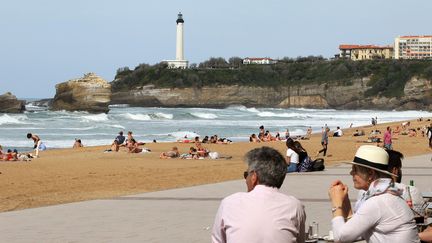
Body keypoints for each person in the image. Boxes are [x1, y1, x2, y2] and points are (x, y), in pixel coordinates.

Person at [211, 146, 306, 243]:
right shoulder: (294, 206)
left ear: (254, 177)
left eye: (246, 175)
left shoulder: (229, 203)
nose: (246, 179)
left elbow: (217, 240)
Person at [328, 145, 419, 243]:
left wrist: (336, 205)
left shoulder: (378, 201)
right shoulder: (388, 195)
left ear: (370, 174)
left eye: (355, 170)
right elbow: (355, 231)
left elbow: (340, 238)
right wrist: (345, 202)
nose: (351, 173)